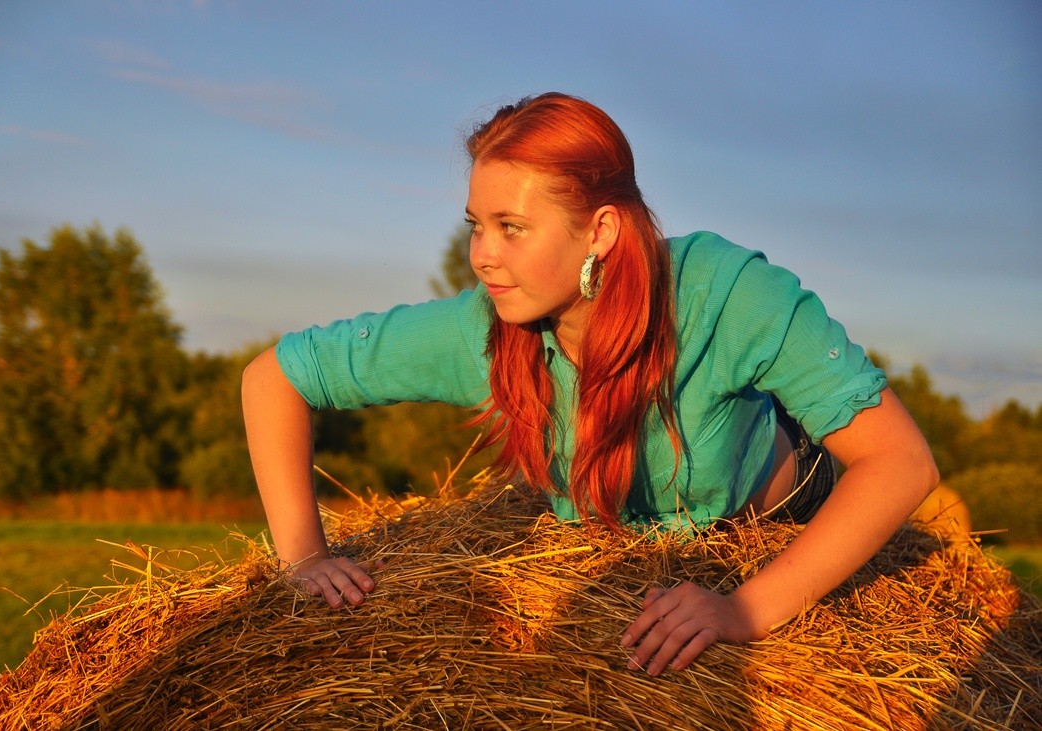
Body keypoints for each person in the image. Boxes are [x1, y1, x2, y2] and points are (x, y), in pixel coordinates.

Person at [242, 92, 939, 676]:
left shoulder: (727, 293)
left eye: (511, 228)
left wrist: (743, 609)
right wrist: (303, 555)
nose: (481, 256)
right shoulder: (485, 328)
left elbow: (901, 462)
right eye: (475, 227)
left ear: (599, 229)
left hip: (782, 494)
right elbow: (274, 377)